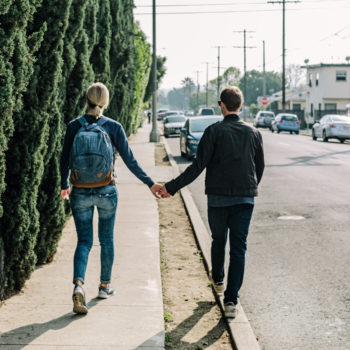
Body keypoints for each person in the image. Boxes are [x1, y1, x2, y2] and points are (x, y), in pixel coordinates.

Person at [160, 86, 265, 318]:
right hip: (245, 199)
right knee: (239, 248)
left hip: (218, 199)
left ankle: (217, 280)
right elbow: (259, 168)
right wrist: (248, 188)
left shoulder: (213, 131)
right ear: (241, 104)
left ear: (221, 105)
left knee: (218, 240)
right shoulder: (254, 133)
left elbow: (197, 167)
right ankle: (231, 302)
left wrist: (171, 187)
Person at [60, 82, 162, 314]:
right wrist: (150, 183)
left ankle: (78, 285)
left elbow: (64, 159)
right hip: (107, 190)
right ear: (105, 103)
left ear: (86, 100)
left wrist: (64, 184)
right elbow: (130, 160)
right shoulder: (113, 127)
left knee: (84, 241)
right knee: (106, 239)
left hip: (81, 191)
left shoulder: (74, 126)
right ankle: (105, 286)